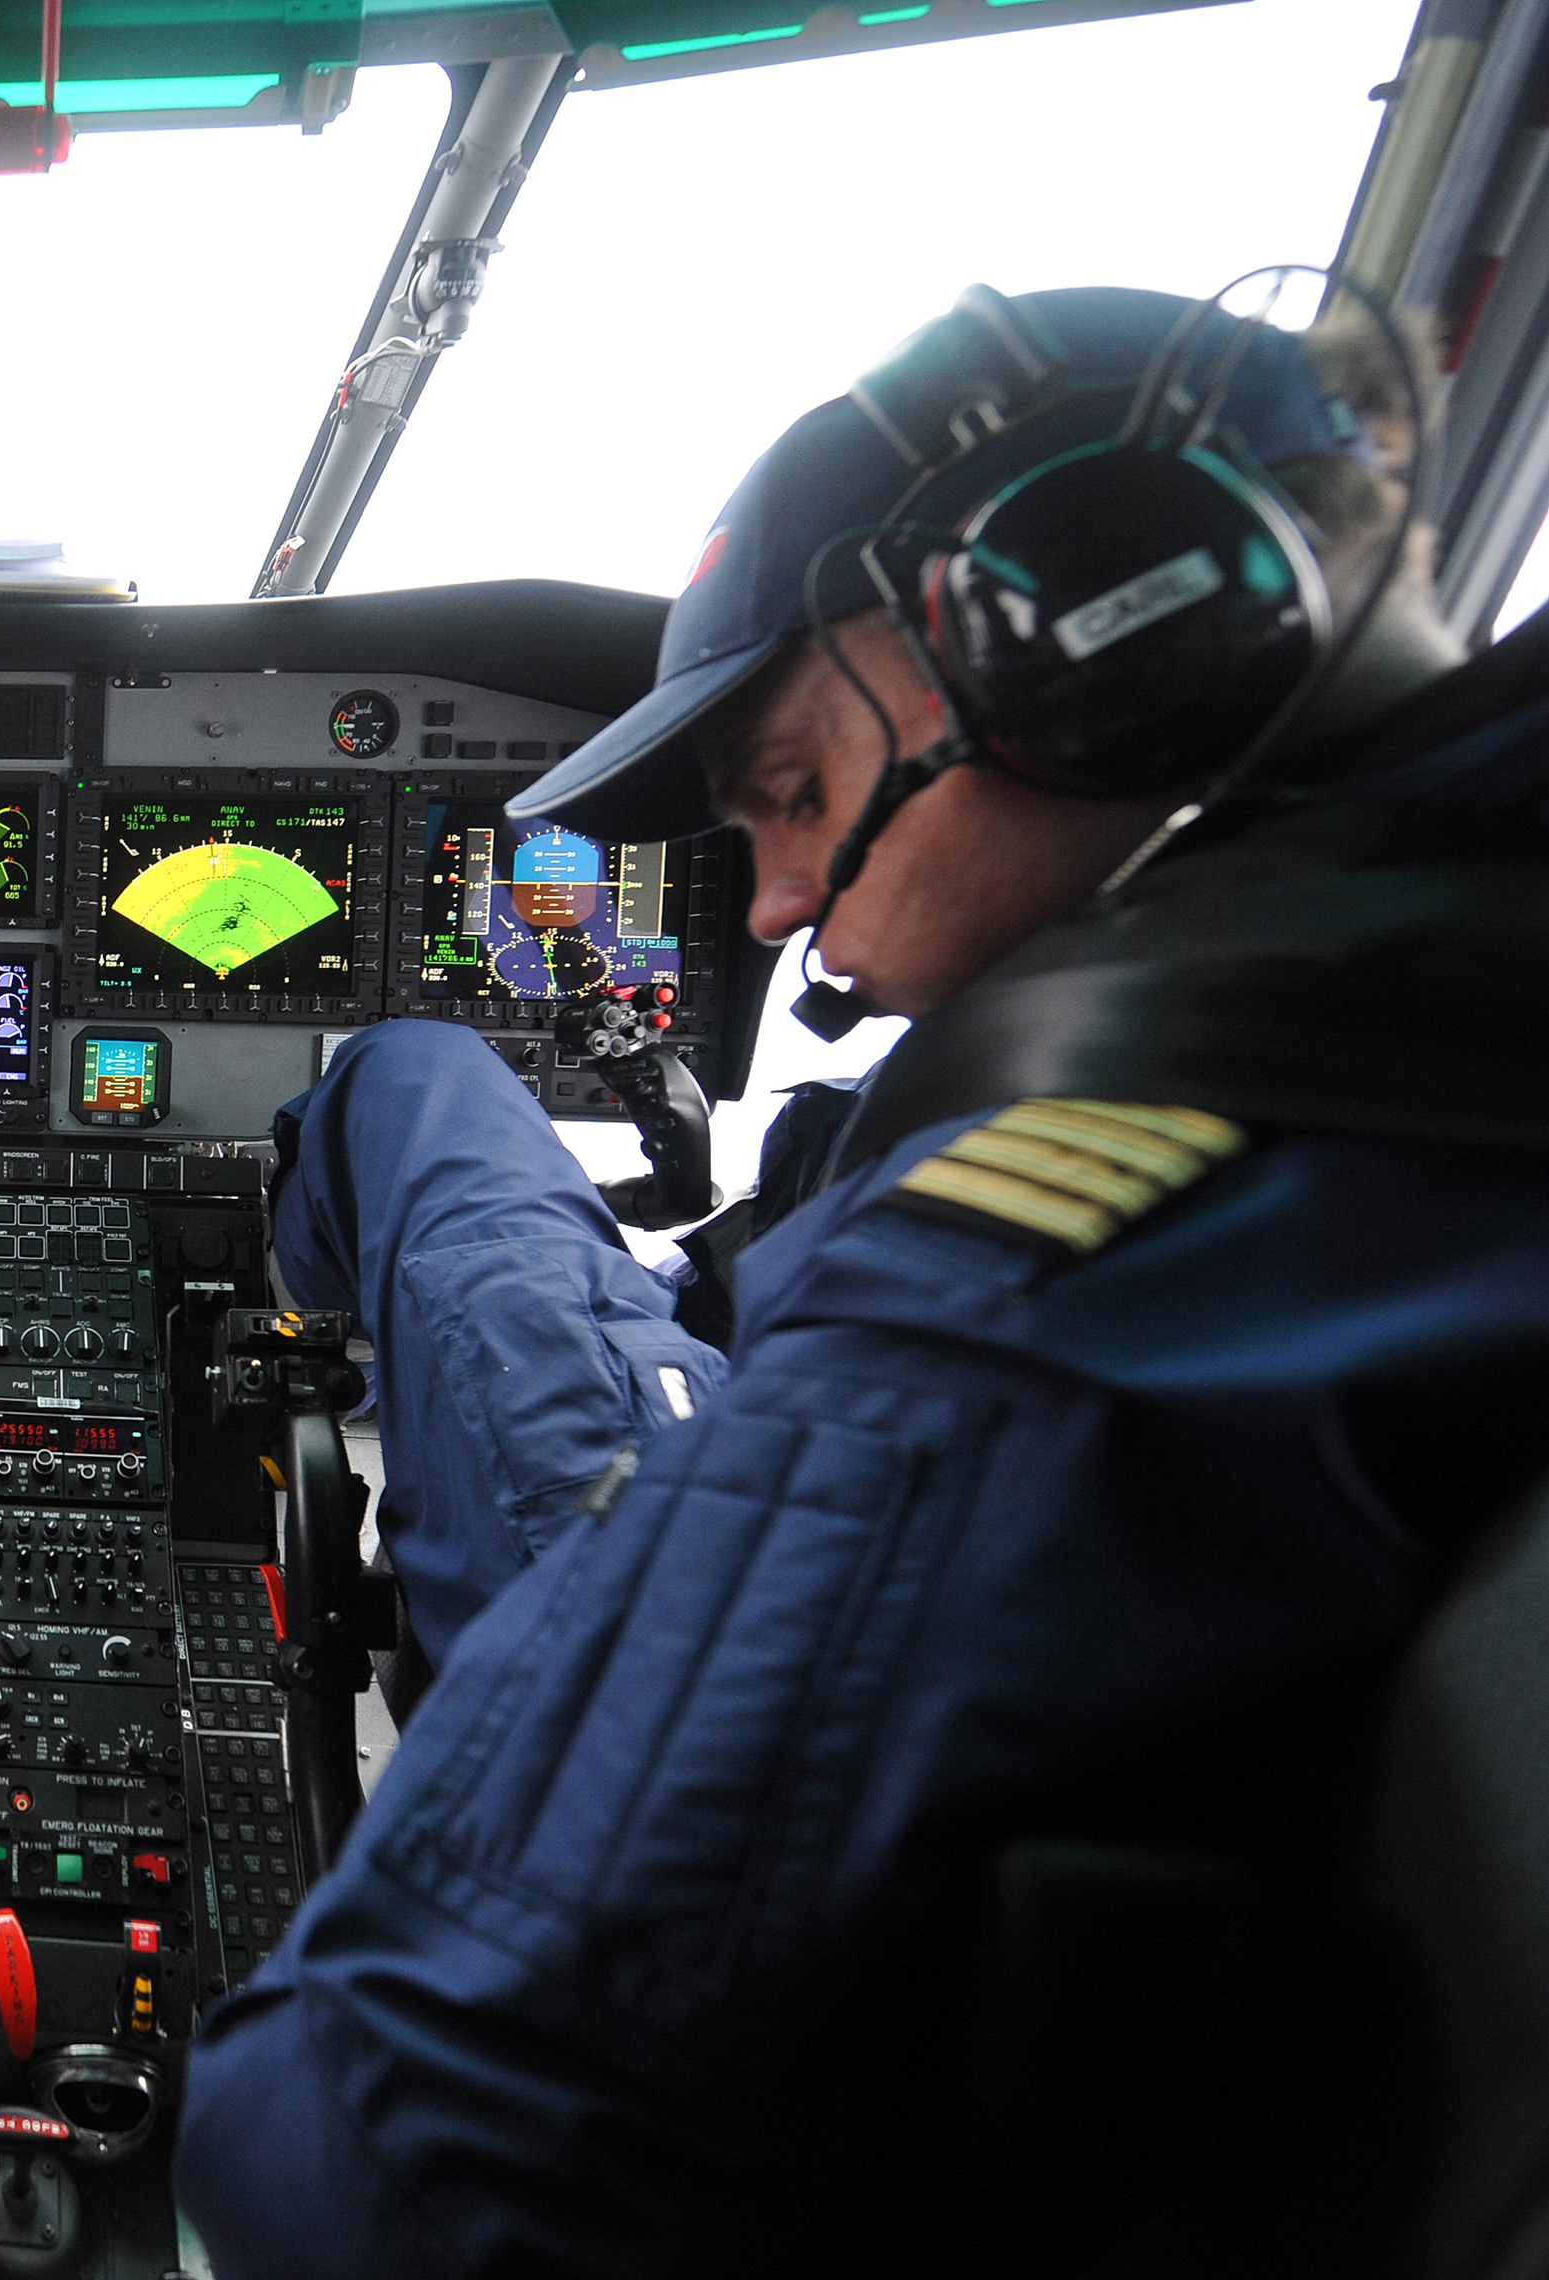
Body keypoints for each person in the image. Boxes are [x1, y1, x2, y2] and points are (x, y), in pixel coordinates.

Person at [177, 283, 1549, 2274]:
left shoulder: (1024, 1294)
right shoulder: (1422, 993)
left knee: (412, 1074)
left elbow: (384, 2162)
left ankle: (308, 1305)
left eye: (796, 794)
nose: (777, 915)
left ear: (1096, 630)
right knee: (437, 1085)